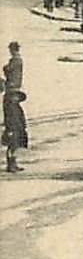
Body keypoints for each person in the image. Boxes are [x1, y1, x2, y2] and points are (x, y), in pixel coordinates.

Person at [2, 43, 27, 173]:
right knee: (13, 143)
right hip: (13, 126)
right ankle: (11, 165)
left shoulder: (12, 102)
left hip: (14, 126)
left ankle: (12, 163)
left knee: (14, 144)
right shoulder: (11, 103)